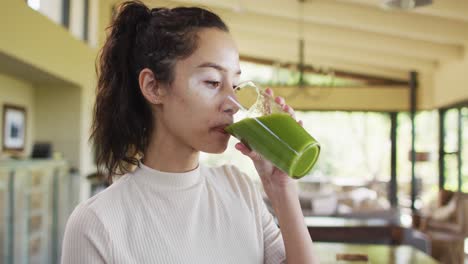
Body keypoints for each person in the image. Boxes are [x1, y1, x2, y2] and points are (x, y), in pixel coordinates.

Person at [61, 1, 318, 263]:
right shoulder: (96, 223)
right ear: (153, 87)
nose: (233, 103)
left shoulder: (239, 188)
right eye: (212, 82)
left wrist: (282, 190)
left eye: (236, 85)